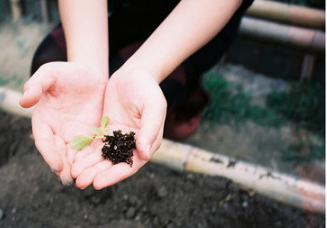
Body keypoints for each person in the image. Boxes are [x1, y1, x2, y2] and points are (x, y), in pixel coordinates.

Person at [19, 0, 253, 190]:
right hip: (117, 8)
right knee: (48, 60)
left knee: (156, 90)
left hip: (191, 19)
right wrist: (88, 65)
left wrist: (144, 70)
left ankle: (187, 97)